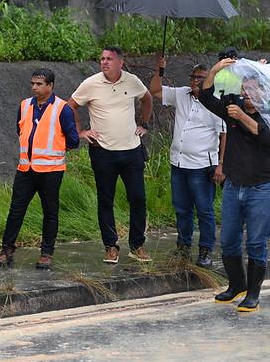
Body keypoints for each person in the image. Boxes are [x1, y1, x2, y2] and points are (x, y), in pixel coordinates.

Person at [67, 46, 153, 264]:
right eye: (102, 59)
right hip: (103, 152)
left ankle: (137, 245)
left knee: (138, 198)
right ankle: (110, 247)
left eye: (109, 59)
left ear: (120, 62)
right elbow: (70, 106)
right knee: (106, 200)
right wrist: (80, 132)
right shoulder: (91, 83)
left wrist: (144, 124)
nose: (104, 62)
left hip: (132, 150)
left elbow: (147, 98)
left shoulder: (132, 81)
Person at [199, 58, 270, 312]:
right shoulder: (233, 106)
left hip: (261, 188)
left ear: (263, 92)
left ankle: (253, 295)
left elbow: (263, 135)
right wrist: (217, 69)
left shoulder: (267, 113)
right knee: (228, 239)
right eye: (244, 90)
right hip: (233, 185)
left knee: (256, 243)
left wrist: (241, 116)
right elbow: (205, 96)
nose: (246, 95)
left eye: (252, 90)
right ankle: (237, 285)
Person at [0, 68, 79, 270]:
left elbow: (73, 140)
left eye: (39, 84)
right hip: (26, 168)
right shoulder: (24, 106)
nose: (34, 87)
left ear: (51, 86)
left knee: (50, 212)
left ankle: (46, 253)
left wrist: (54, 148)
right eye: (33, 83)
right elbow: (20, 130)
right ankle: (7, 250)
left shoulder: (62, 109)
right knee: (16, 210)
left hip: (51, 171)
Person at [149, 58, 226, 268]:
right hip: (179, 164)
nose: (194, 81)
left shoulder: (216, 102)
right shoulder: (182, 94)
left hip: (202, 166)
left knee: (204, 210)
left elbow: (225, 134)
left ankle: (206, 250)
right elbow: (155, 90)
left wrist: (221, 165)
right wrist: (160, 68)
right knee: (182, 210)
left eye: (200, 78)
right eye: (193, 77)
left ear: (209, 79)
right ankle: (182, 248)